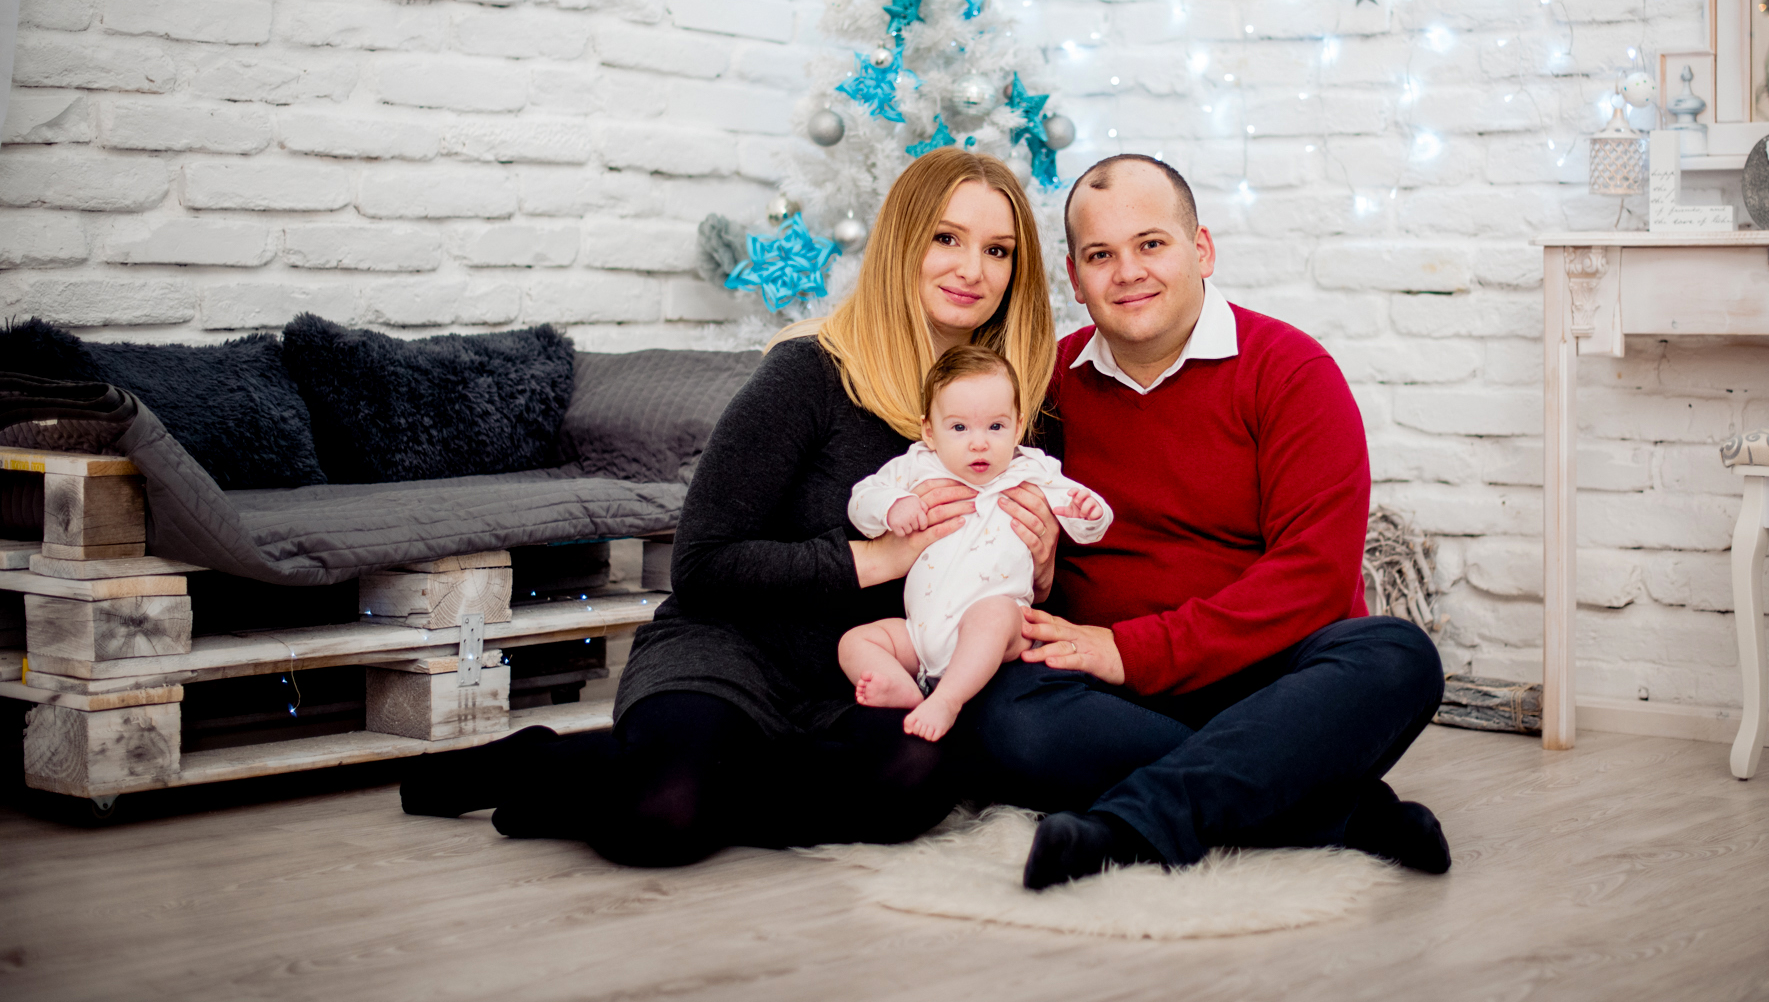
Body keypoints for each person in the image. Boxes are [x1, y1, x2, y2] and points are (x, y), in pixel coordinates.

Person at [399, 148, 1063, 866]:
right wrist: (876, 558)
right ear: (903, 242)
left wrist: (1043, 565)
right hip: (730, 650)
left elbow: (997, 592)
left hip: (860, 680)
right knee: (663, 815)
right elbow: (702, 563)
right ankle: (541, 764)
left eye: (998, 250)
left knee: (917, 777)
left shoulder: (1016, 411)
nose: (972, 269)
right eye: (947, 237)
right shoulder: (809, 372)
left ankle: (636, 771)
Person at [964, 153, 1451, 889]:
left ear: (1202, 250)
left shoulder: (1290, 371)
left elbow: (1315, 580)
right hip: (1112, 695)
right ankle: (1332, 810)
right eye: (1101, 254)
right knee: (1003, 711)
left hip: (1271, 681)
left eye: (1151, 244)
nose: (1128, 272)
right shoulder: (1040, 387)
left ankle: (1126, 827)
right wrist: (1035, 569)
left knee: (1397, 656)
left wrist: (1130, 649)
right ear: (1075, 276)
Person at [840, 344, 1111, 741]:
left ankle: (947, 700)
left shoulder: (1031, 470)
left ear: (1018, 427)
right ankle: (904, 690)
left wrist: (1090, 512)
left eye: (995, 427)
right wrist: (892, 506)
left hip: (1004, 627)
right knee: (855, 642)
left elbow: (1082, 518)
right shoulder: (916, 465)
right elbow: (861, 500)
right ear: (929, 431)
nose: (979, 443)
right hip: (921, 634)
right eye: (959, 428)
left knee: (993, 614)